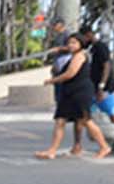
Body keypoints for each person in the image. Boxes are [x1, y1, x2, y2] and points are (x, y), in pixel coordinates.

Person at [35, 31, 107, 160]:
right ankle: (52, 151)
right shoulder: (73, 56)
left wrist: (53, 80)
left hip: (80, 93)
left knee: (86, 121)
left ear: (81, 44)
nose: (71, 45)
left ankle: (104, 147)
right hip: (70, 92)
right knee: (60, 121)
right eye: (69, 43)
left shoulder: (80, 56)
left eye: (74, 42)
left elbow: (70, 73)